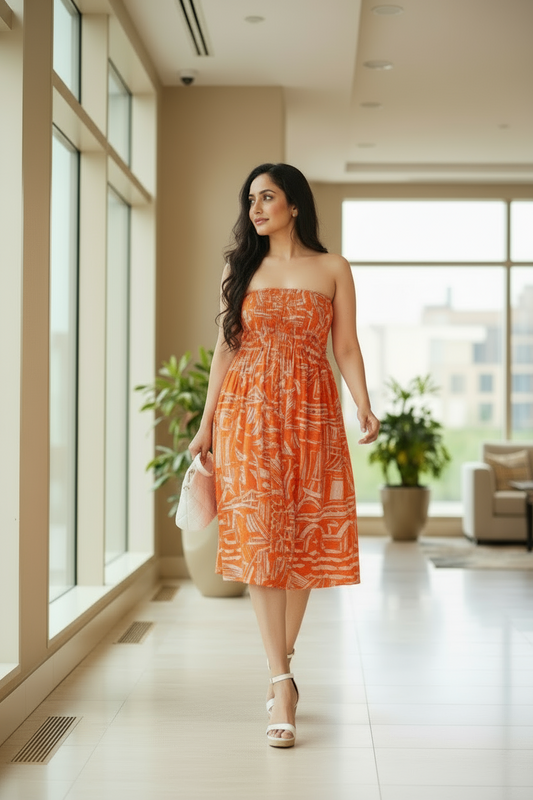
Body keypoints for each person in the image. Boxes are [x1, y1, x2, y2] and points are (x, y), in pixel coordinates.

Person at [189, 163, 379, 748]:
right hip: (248, 412)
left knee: (302, 541)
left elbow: (344, 345)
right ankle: (280, 681)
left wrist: (363, 405)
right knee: (261, 540)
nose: (255, 208)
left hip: (313, 414)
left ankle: (283, 662)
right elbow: (225, 349)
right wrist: (206, 425)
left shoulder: (332, 268)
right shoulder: (241, 267)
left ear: (294, 204)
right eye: (250, 199)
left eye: (267, 197)